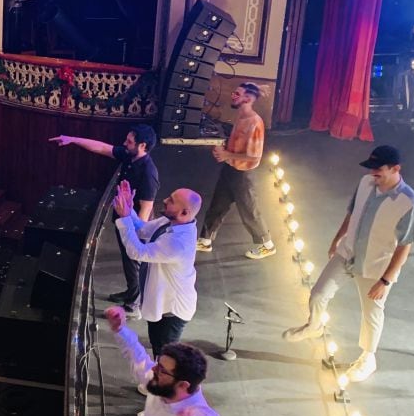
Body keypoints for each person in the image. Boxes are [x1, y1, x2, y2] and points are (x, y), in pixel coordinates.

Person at [282, 145, 414, 383]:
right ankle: (314, 325)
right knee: (318, 295)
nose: (372, 174)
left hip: (375, 267)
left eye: (378, 170)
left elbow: (404, 246)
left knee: (372, 314)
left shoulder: (409, 203)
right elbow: (352, 212)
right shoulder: (366, 183)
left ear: (395, 169)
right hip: (347, 254)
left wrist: (385, 280)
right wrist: (338, 238)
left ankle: (368, 358)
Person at [50, 127, 160, 316]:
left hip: (134, 224)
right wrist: (72, 138)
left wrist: (135, 234)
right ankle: (131, 293)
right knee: (128, 262)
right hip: (124, 218)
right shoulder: (130, 156)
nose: (125, 144)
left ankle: (134, 305)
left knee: (133, 261)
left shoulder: (148, 172)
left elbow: (146, 206)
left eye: (130, 142)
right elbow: (102, 148)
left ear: (143, 146)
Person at [112, 179, 202, 355]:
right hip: (161, 304)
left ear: (184, 212)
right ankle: (155, 380)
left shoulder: (178, 243)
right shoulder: (171, 222)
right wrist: (129, 210)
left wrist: (124, 218)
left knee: (164, 356)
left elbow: (137, 252)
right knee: (157, 347)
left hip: (171, 312)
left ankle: (160, 382)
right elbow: (143, 230)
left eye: (172, 200)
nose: (165, 200)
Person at [196, 83, 273, 259]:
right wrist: (224, 151)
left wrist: (226, 154)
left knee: (249, 211)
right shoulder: (241, 116)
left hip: (242, 175)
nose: (233, 95)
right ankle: (205, 240)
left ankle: (267, 244)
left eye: (237, 93)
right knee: (217, 206)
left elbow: (253, 157)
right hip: (230, 168)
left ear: (247, 99)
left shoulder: (255, 123)